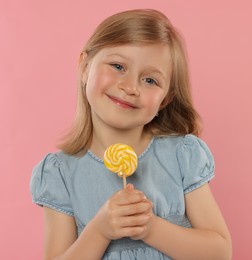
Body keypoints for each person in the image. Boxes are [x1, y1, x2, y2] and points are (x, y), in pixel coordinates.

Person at [30, 9, 232, 260]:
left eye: (150, 80)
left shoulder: (182, 155)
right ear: (84, 66)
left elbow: (219, 252)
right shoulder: (60, 173)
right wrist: (100, 231)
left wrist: (150, 228)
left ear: (165, 100)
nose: (130, 87)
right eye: (118, 66)